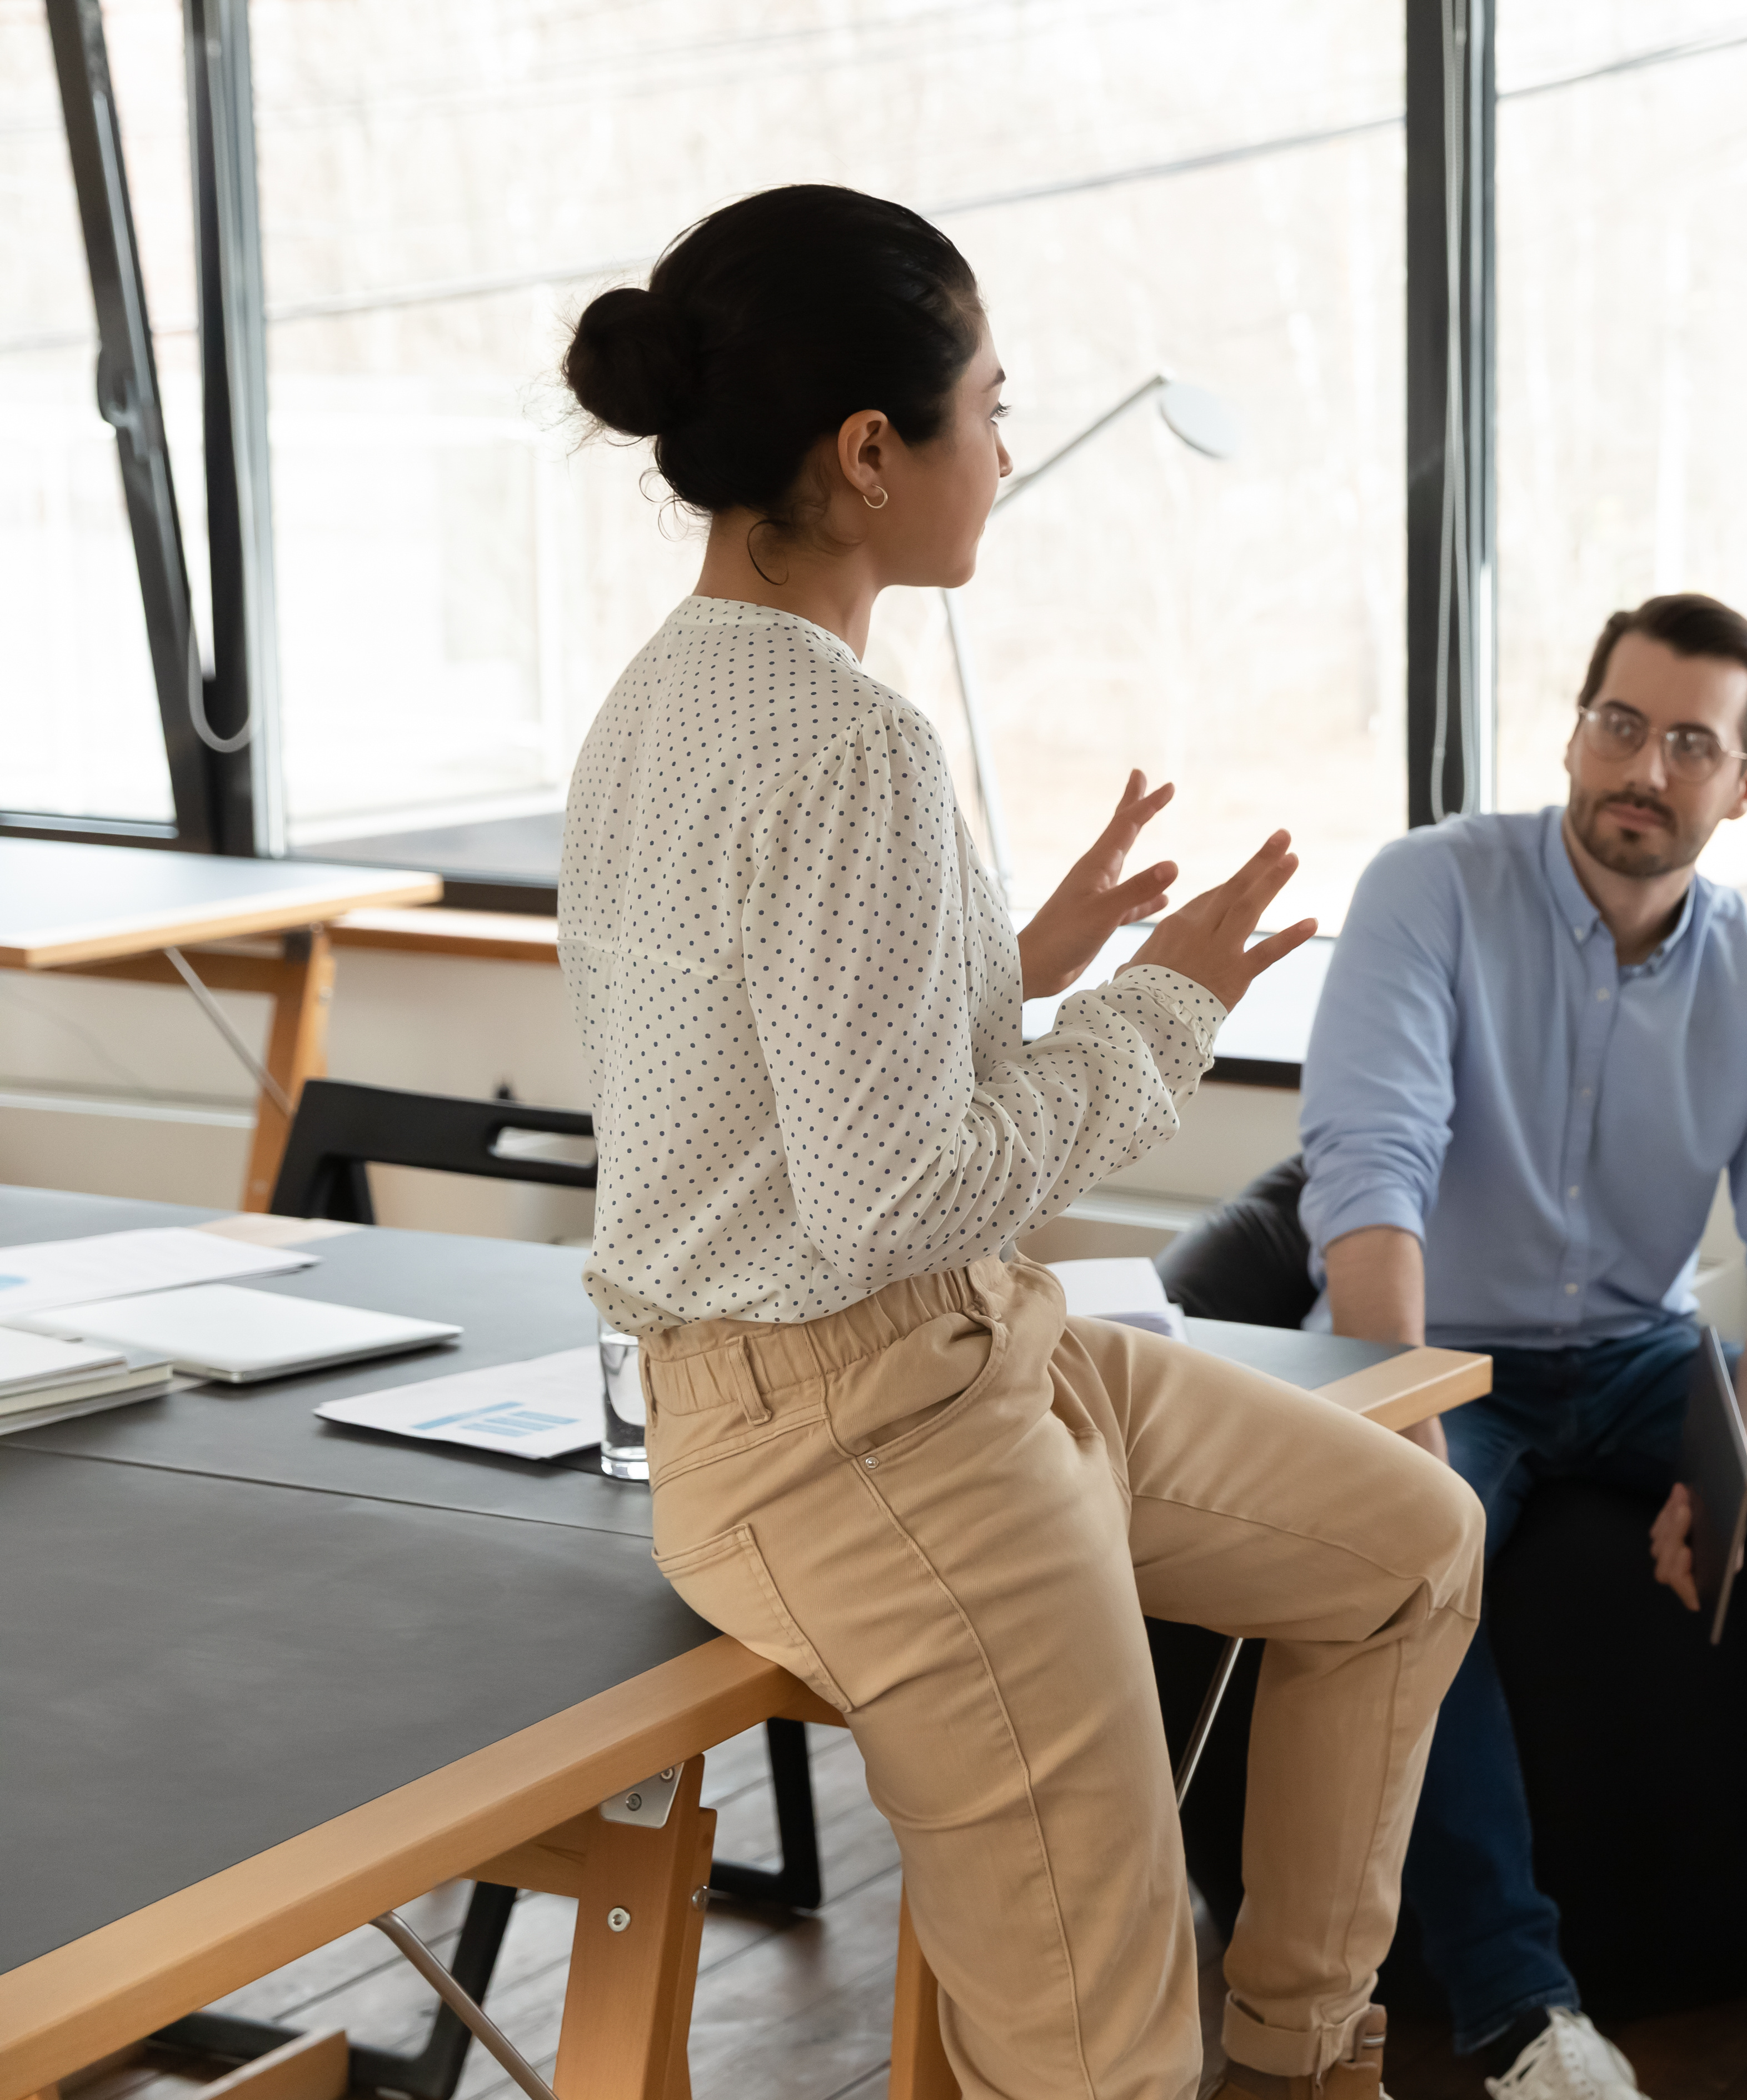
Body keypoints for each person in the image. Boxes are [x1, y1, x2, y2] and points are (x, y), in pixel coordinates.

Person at [557, 186, 1479, 2100]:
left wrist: (1012, 955)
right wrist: (1166, 1001)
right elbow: (888, 1191)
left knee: (1409, 1545)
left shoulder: (665, 701)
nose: (1006, 441)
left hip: (942, 1359)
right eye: (989, 401)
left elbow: (771, 1054)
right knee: (1096, 2057)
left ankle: (1302, 2059)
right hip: (855, 1438)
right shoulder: (845, 745)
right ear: (871, 454)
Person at [1178, 592, 1747, 2100]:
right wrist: (1406, 1417)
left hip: (1641, 1357)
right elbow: (1367, 1181)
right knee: (1416, 1537)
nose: (1642, 768)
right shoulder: (1431, 889)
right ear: (1578, 727)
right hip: (1433, 1347)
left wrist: (1736, 1456)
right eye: (1619, 724)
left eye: (1690, 744)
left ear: (1744, 784)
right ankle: (1525, 2010)